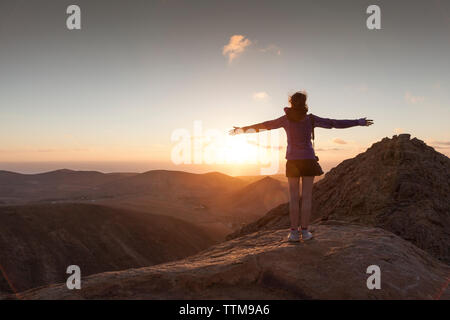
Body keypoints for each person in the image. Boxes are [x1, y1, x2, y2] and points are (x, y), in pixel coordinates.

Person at [229, 91, 373, 242]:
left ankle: (293, 233)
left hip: (293, 161)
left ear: (291, 103)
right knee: (306, 198)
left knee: (293, 198)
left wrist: (242, 129)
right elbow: (333, 123)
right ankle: (304, 232)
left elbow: (266, 125)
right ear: (305, 103)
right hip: (308, 161)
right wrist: (358, 122)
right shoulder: (310, 119)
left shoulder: (285, 119)